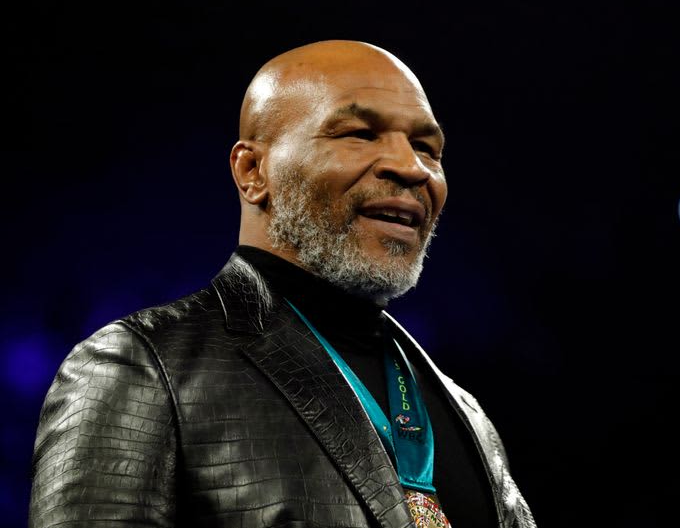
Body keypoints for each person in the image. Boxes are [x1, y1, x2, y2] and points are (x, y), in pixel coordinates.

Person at [28, 40, 535, 528]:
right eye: (359, 134)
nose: (410, 167)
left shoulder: (467, 414)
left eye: (426, 147)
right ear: (253, 171)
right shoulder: (141, 367)